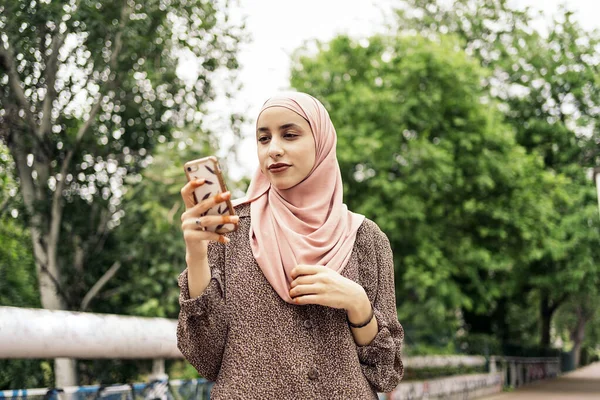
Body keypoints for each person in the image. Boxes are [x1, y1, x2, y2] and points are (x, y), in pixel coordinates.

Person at [177, 92, 404, 399]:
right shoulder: (230, 230)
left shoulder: (366, 238)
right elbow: (204, 358)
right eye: (263, 138)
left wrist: (358, 304)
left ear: (322, 141)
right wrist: (196, 256)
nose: (274, 149)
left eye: (290, 135)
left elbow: (386, 374)